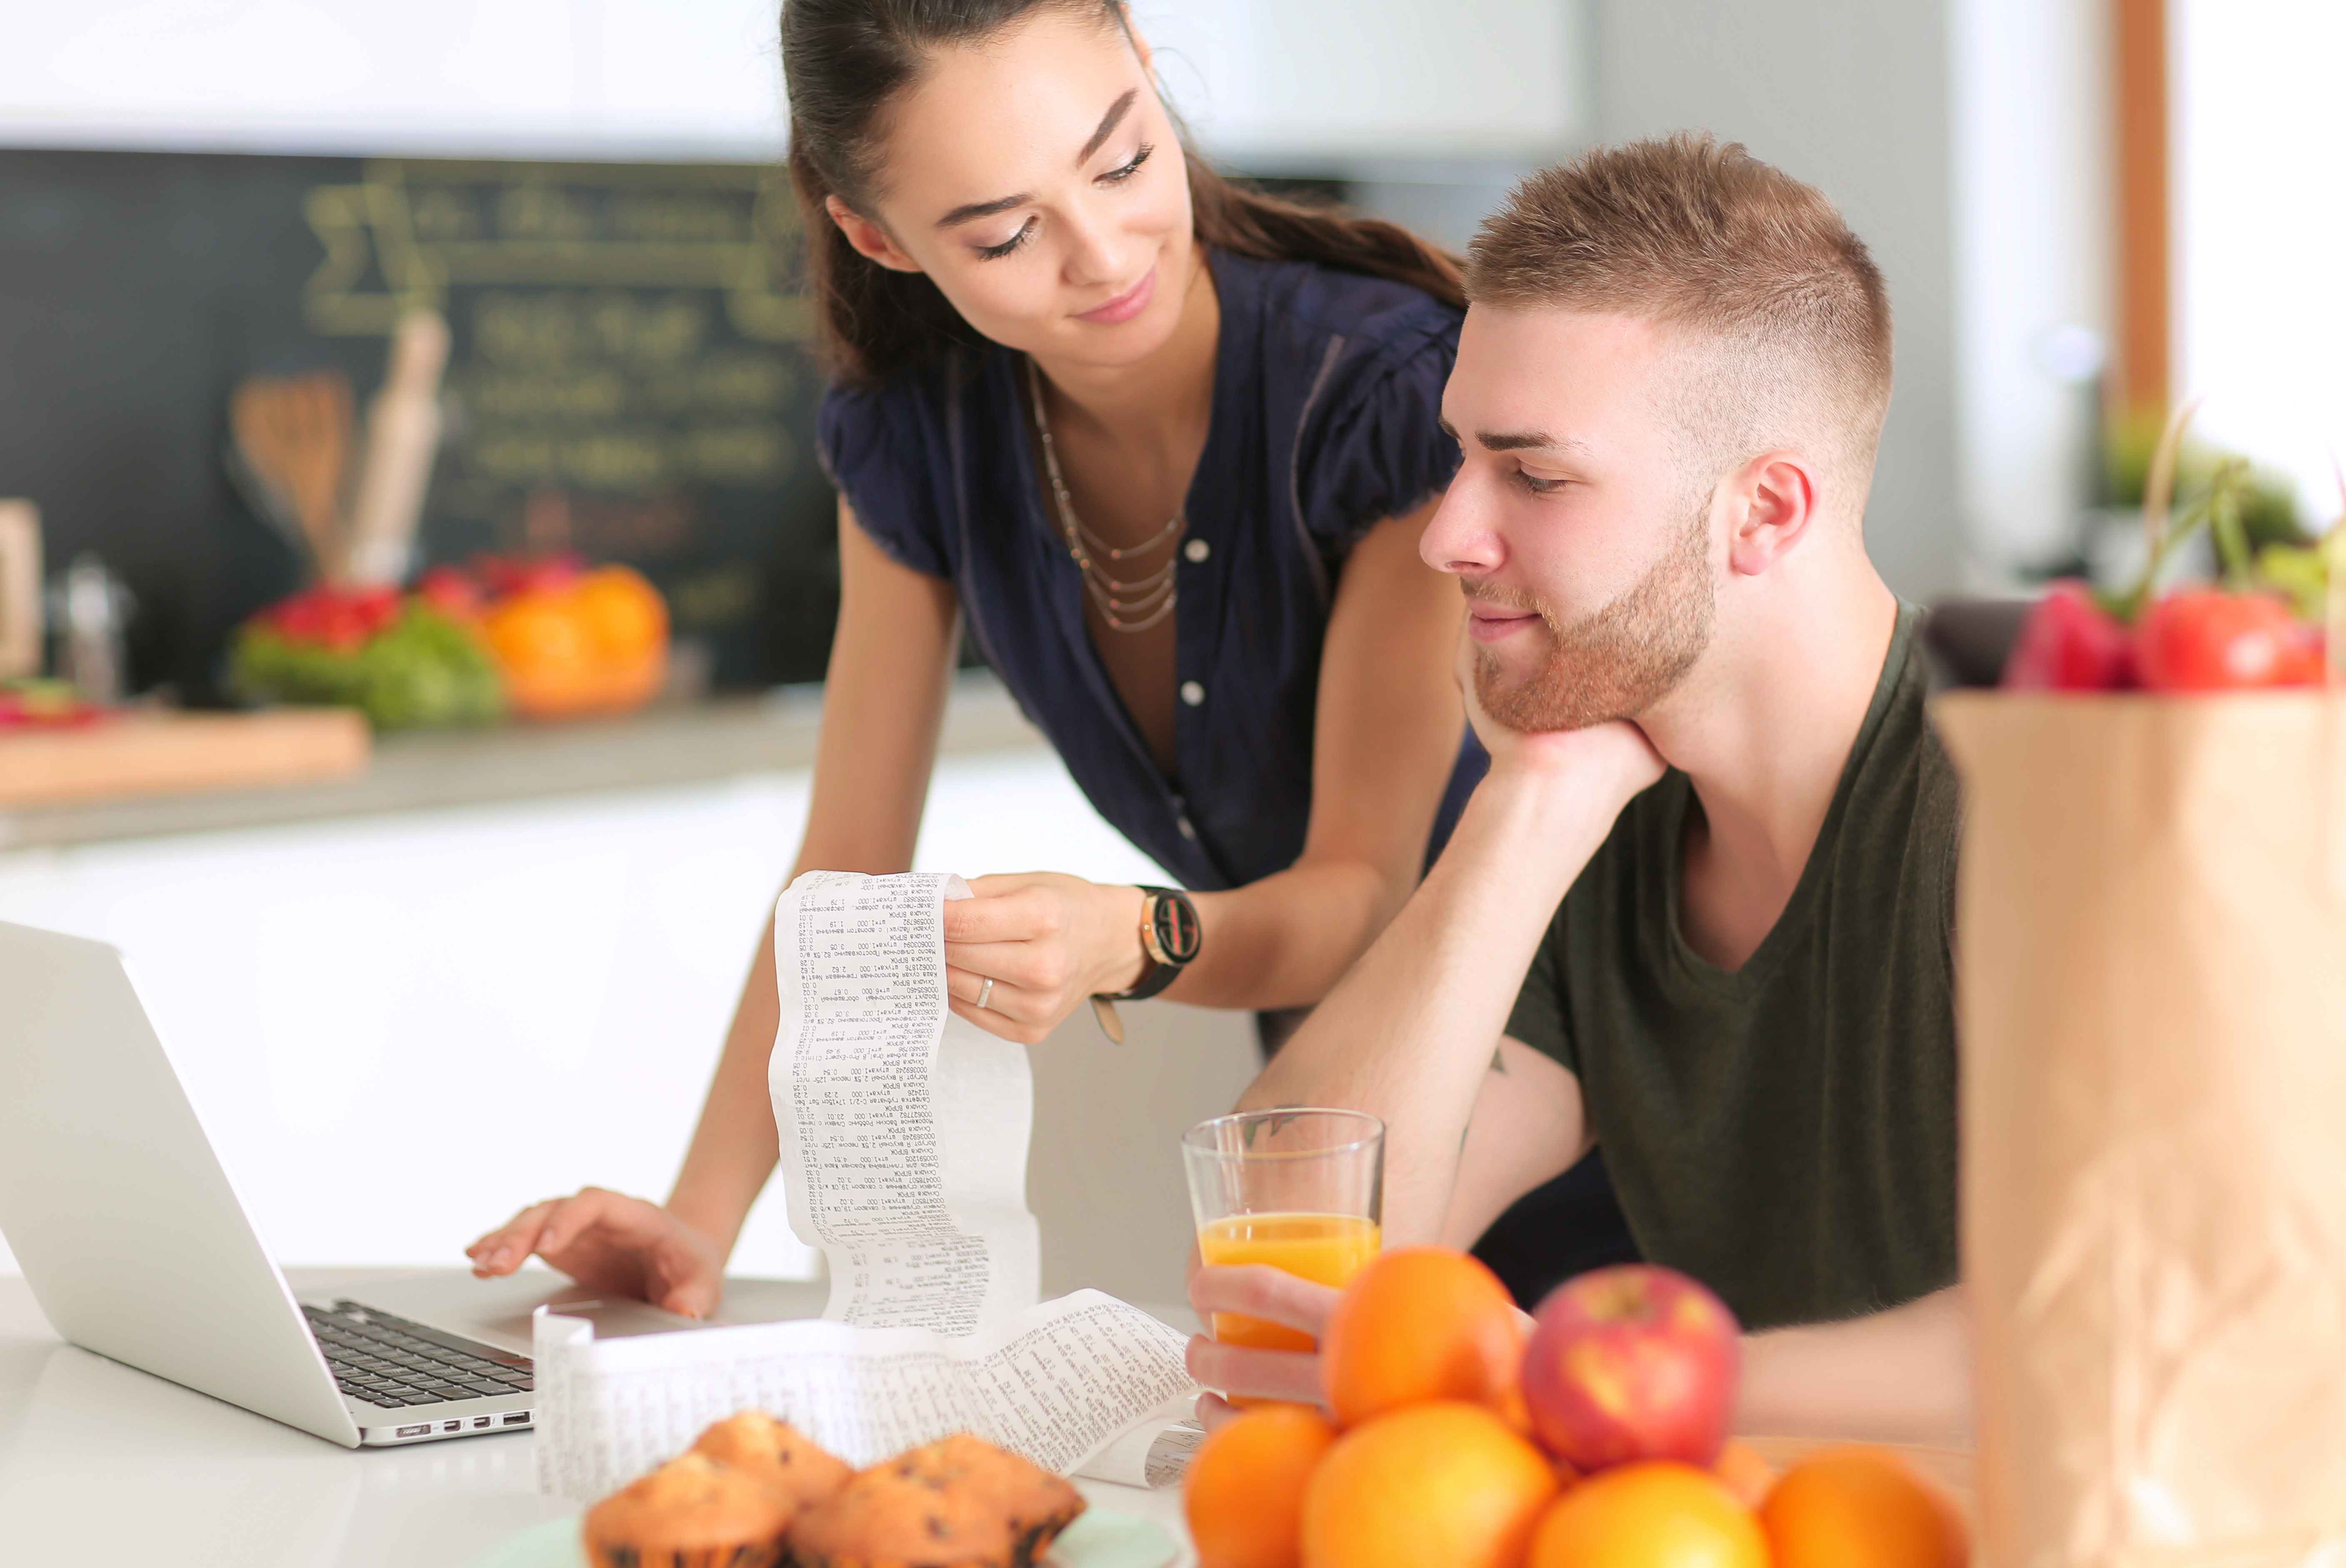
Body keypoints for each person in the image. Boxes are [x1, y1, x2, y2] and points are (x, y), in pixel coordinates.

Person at [464, 0, 1645, 1314]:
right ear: (877, 238)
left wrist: (1131, 937)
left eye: (1125, 160)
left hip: (1600, 1102)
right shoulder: (918, 440)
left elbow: (1362, 894)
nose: (1104, 254)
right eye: (1008, 232)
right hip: (1340, 1136)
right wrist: (698, 1222)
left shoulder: (1383, 394)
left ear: (1146, 62)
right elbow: (841, 871)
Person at [1190, 134, 1971, 1440]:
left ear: (1764, 513)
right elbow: (1276, 1263)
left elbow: (2117, 1332)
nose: (1446, 535)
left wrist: (1558, 1370)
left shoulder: (2029, 792)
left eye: (1535, 476)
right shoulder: (1610, 806)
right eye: (1460, 459)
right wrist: (1525, 807)